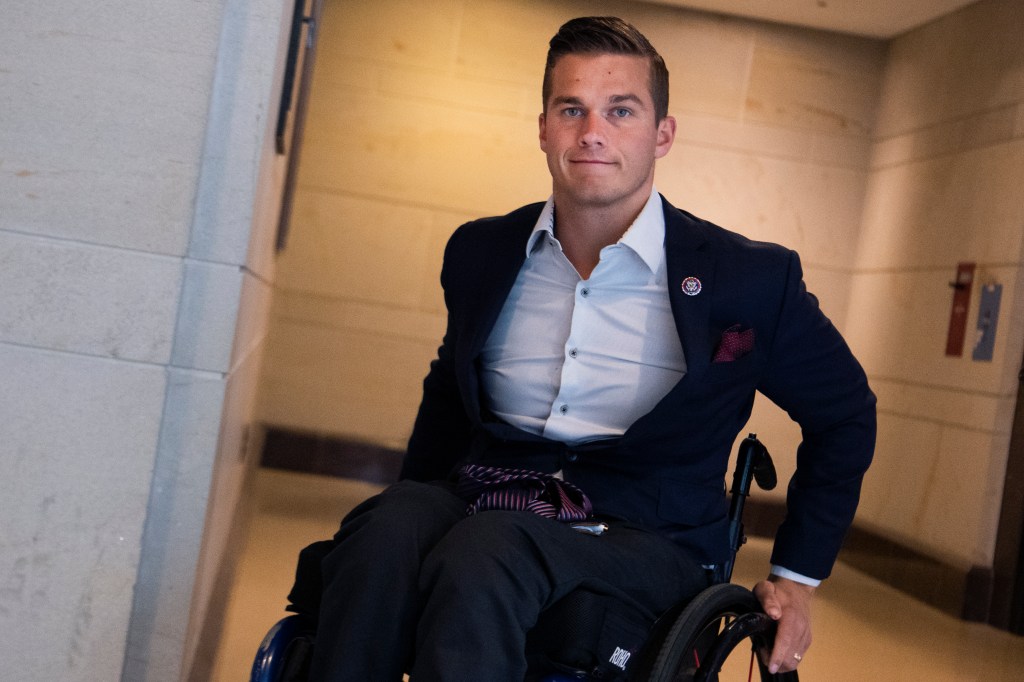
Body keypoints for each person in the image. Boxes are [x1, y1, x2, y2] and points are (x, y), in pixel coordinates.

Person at [289, 15, 876, 681]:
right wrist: (416, 497)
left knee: (489, 550)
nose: (592, 131)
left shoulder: (747, 280)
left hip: (647, 533)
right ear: (543, 127)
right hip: (493, 492)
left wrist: (795, 578)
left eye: (620, 110)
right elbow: (451, 389)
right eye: (572, 108)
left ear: (663, 134)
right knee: (387, 529)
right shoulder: (482, 252)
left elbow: (845, 414)